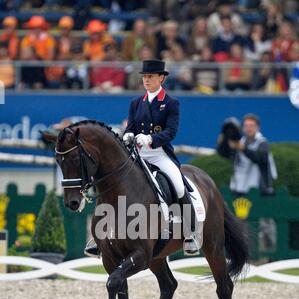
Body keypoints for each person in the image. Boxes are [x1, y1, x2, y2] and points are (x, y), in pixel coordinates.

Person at [85, 59, 200, 257]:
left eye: (151, 76)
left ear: (161, 78)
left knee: (178, 184)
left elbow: (171, 132)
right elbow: (131, 127)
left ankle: (191, 233)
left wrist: (151, 138)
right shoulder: (136, 103)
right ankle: (98, 236)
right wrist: (128, 134)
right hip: (137, 154)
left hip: (159, 153)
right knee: (111, 183)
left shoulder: (170, 103)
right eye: (145, 77)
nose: (146, 80)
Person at [217, 113, 277, 195]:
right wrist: (222, 143)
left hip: (259, 192)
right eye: (246, 126)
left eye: (252, 126)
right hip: (238, 188)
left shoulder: (262, 143)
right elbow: (225, 154)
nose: (249, 128)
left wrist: (243, 149)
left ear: (258, 127)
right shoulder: (240, 142)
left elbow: (259, 157)